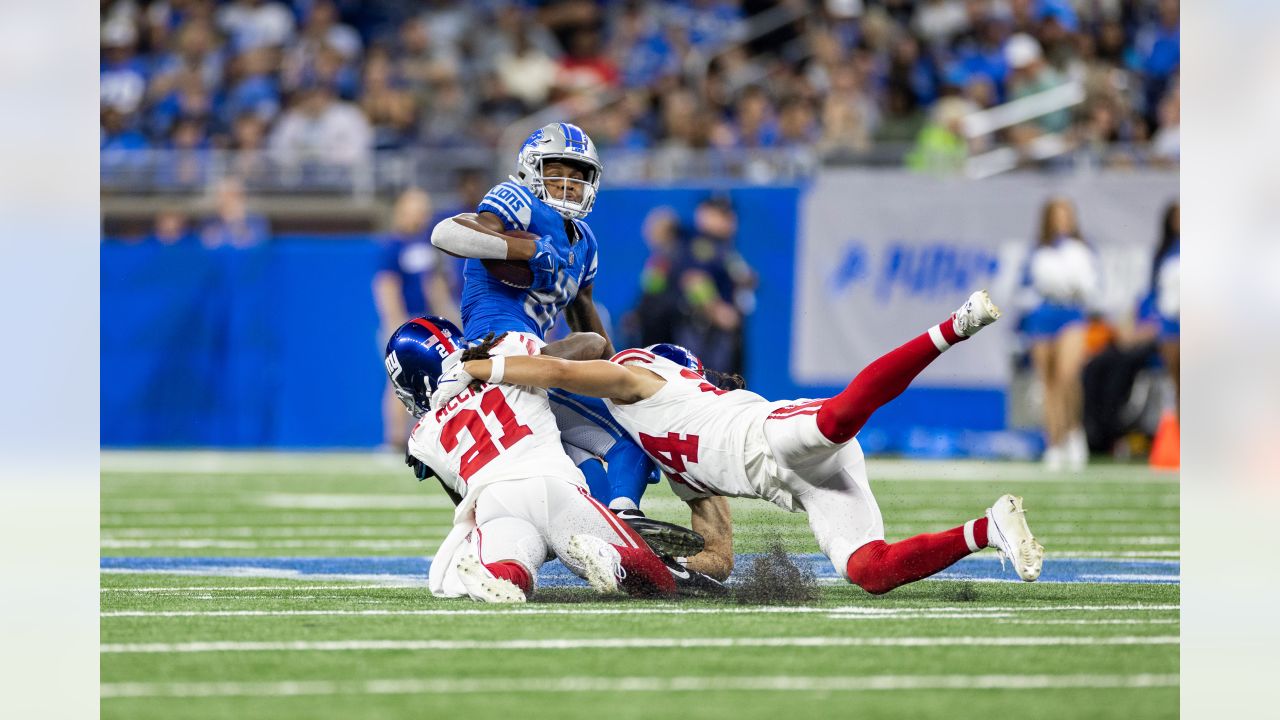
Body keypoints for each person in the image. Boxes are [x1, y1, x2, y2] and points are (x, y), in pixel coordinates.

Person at [433, 291, 1045, 591]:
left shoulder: (644, 382)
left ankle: (954, 326)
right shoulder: (674, 459)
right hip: (800, 484)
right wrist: (677, 567)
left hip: (772, 436)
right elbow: (720, 554)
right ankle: (988, 528)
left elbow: (572, 368)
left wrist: (483, 370)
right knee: (869, 570)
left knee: (838, 419)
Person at [427, 123, 686, 549]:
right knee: (624, 430)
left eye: (579, 174)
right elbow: (446, 234)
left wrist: (622, 376)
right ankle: (621, 518)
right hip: (502, 348)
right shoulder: (519, 201)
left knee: (591, 445)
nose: (568, 183)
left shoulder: (584, 241)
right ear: (531, 170)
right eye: (557, 170)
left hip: (539, 357)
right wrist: (526, 250)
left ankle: (609, 530)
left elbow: (584, 315)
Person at [384, 315, 713, 602]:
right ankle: (610, 555)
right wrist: (505, 364)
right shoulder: (505, 353)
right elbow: (588, 344)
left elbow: (459, 497)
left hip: (495, 504)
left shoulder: (421, 437)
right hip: (553, 487)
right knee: (650, 575)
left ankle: (504, 574)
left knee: (513, 565)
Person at [1016, 197, 1098, 471]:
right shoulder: (1037, 251)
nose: (1062, 221)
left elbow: (1094, 287)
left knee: (1068, 375)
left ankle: (1074, 430)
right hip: (1042, 316)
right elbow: (1023, 287)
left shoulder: (1081, 250)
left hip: (1071, 313)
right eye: (1056, 216)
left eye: (1066, 215)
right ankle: (1054, 441)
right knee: (1048, 382)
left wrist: (1077, 285)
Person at [374, 188, 460, 447]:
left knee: (437, 383)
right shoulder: (392, 245)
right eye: (416, 211)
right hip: (405, 323)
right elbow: (386, 286)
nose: (421, 217)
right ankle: (394, 439)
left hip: (427, 324)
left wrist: (449, 318)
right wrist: (396, 323)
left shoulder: (427, 245)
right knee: (399, 384)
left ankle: (428, 440)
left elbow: (435, 285)